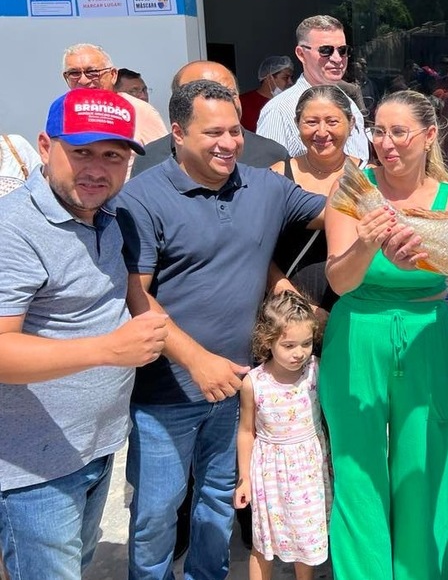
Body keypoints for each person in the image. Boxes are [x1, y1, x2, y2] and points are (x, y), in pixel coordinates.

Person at [114, 79, 326, 580]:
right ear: (178, 133)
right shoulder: (141, 198)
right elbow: (135, 294)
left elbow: (333, 211)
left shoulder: (264, 186)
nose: (228, 143)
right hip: (166, 391)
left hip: (237, 387)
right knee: (157, 512)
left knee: (217, 500)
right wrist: (195, 360)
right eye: (213, 132)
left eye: (235, 130)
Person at [0, 88, 167, 580]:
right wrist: (108, 351)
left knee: (79, 564)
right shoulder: (15, 229)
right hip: (32, 469)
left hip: (93, 447)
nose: (97, 168)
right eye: (82, 152)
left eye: (112, 155)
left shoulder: (108, 215)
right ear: (45, 146)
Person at [321, 89, 448, 580]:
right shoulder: (353, 189)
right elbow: (340, 282)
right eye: (379, 131)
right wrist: (367, 242)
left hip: (425, 338)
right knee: (357, 470)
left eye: (399, 132)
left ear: (429, 136)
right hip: (356, 337)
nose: (387, 144)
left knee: (423, 467)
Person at [234, 290, 328, 580]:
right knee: (264, 543)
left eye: (306, 343)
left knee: (306, 539)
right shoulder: (254, 383)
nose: (299, 352)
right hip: (270, 474)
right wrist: (245, 478)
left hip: (309, 471)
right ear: (268, 340)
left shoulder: (316, 370)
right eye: (288, 345)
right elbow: (246, 431)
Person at [272, 84, 358, 314]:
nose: (321, 132)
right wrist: (299, 308)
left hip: (354, 311)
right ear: (297, 125)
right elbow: (259, 252)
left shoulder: (369, 177)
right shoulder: (277, 176)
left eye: (332, 121)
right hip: (287, 316)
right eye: (311, 122)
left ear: (351, 123)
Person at [131, 60, 289, 174]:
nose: (219, 102)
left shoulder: (272, 155)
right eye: (203, 94)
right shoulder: (150, 158)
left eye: (228, 93)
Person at [256, 15, 369, 163]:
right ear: (301, 54)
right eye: (326, 50)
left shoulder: (350, 104)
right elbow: (266, 174)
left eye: (343, 50)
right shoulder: (279, 110)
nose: (337, 59)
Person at [62, 45, 168, 170]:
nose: (83, 80)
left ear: (113, 75)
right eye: (74, 73)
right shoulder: (62, 114)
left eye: (92, 72)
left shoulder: (139, 111)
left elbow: (165, 160)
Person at [240, 56, 295, 131]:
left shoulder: (291, 103)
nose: (290, 82)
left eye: (291, 77)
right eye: (286, 77)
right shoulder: (243, 103)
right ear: (269, 78)